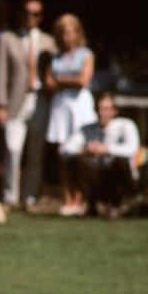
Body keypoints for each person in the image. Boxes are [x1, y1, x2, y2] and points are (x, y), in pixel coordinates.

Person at [0, 0, 58, 208]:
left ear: (41, 17)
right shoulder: (7, 39)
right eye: (27, 12)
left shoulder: (50, 41)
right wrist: (1, 104)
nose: (30, 17)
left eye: (35, 14)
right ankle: (10, 196)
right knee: (13, 148)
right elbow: (0, 73)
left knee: (36, 151)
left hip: (41, 100)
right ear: (20, 14)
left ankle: (30, 196)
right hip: (15, 102)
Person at [45, 14, 97, 216]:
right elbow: (49, 83)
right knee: (62, 153)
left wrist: (61, 80)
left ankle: (81, 197)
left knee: (78, 152)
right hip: (61, 107)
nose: (66, 37)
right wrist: (69, 80)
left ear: (77, 33)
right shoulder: (55, 57)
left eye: (69, 32)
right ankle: (68, 197)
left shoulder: (86, 54)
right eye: (62, 33)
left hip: (79, 106)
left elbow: (83, 80)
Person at [62, 93, 140, 218]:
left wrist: (107, 149)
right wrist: (85, 150)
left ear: (114, 111)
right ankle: (91, 205)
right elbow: (65, 149)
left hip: (119, 177)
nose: (101, 113)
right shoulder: (87, 129)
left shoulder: (126, 125)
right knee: (75, 161)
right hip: (97, 177)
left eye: (106, 109)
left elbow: (132, 148)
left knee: (121, 161)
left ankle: (117, 204)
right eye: (99, 109)